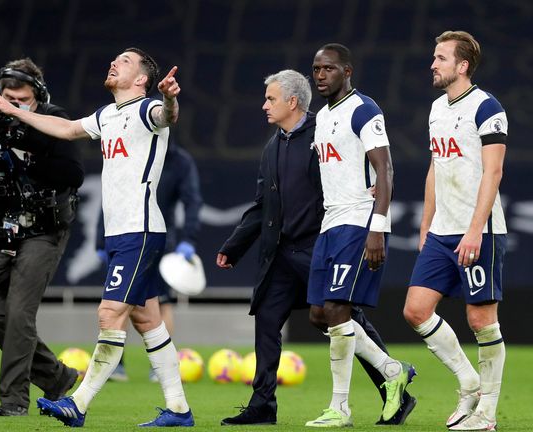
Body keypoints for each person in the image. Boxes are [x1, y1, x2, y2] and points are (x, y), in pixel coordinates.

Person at [0, 47, 193, 427]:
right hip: (120, 233)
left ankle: (77, 403)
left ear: (142, 79)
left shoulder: (147, 109)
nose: (114, 62)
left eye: (124, 62)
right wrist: (15, 111)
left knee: (109, 313)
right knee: (147, 320)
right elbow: (66, 129)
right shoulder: (107, 115)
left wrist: (169, 96)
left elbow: (168, 116)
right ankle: (178, 408)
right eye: (114, 59)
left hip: (140, 230)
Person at [217, 70, 415, 426]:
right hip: (281, 251)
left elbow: (353, 174)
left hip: (319, 243)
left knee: (341, 316)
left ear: (292, 102)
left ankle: (392, 388)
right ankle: (263, 404)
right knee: (267, 319)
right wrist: (235, 246)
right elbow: (263, 204)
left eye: (271, 99)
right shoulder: (273, 146)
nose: (264, 105)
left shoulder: (324, 131)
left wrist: (368, 205)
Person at [0, 58, 83, 416]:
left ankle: (14, 402)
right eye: (7, 96)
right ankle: (56, 377)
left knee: (19, 313)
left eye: (20, 98)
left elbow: (74, 172)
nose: (11, 103)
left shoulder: (54, 119)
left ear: (37, 96)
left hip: (44, 228)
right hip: (3, 228)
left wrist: (24, 156)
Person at [304, 44, 416, 428]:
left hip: (357, 220)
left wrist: (377, 228)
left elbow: (385, 170)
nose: (320, 75)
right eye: (316, 69)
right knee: (319, 315)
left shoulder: (364, 109)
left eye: (329, 68)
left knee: (338, 310)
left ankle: (340, 408)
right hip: (330, 223)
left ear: (347, 71)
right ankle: (391, 370)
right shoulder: (321, 117)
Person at [402, 31, 508, 432]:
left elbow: (493, 172)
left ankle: (487, 415)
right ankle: (468, 383)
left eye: (441, 58)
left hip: (479, 231)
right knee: (415, 310)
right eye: (435, 57)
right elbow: (436, 167)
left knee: (481, 321)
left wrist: (475, 230)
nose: (433, 64)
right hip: (443, 231)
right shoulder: (436, 109)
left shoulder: (487, 107)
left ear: (462, 66)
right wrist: (427, 224)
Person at [97, 140, 203, 383]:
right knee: (117, 303)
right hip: (124, 239)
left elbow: (192, 201)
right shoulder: (130, 152)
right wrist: (99, 239)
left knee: (160, 304)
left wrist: (188, 239)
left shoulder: (179, 160)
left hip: (160, 242)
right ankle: (115, 365)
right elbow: (111, 195)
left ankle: (159, 367)